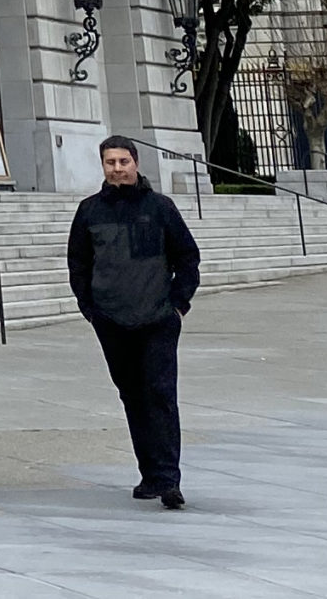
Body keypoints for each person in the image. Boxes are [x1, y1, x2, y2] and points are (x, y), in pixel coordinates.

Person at [68, 134, 201, 509]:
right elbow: (78, 264)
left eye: (123, 161)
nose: (118, 168)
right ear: (103, 166)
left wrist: (178, 304)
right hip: (111, 321)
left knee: (160, 395)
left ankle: (168, 479)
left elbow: (187, 258)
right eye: (111, 162)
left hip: (157, 319)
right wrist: (90, 309)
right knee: (132, 396)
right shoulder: (90, 211)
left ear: (136, 163)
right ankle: (149, 474)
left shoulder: (160, 208)